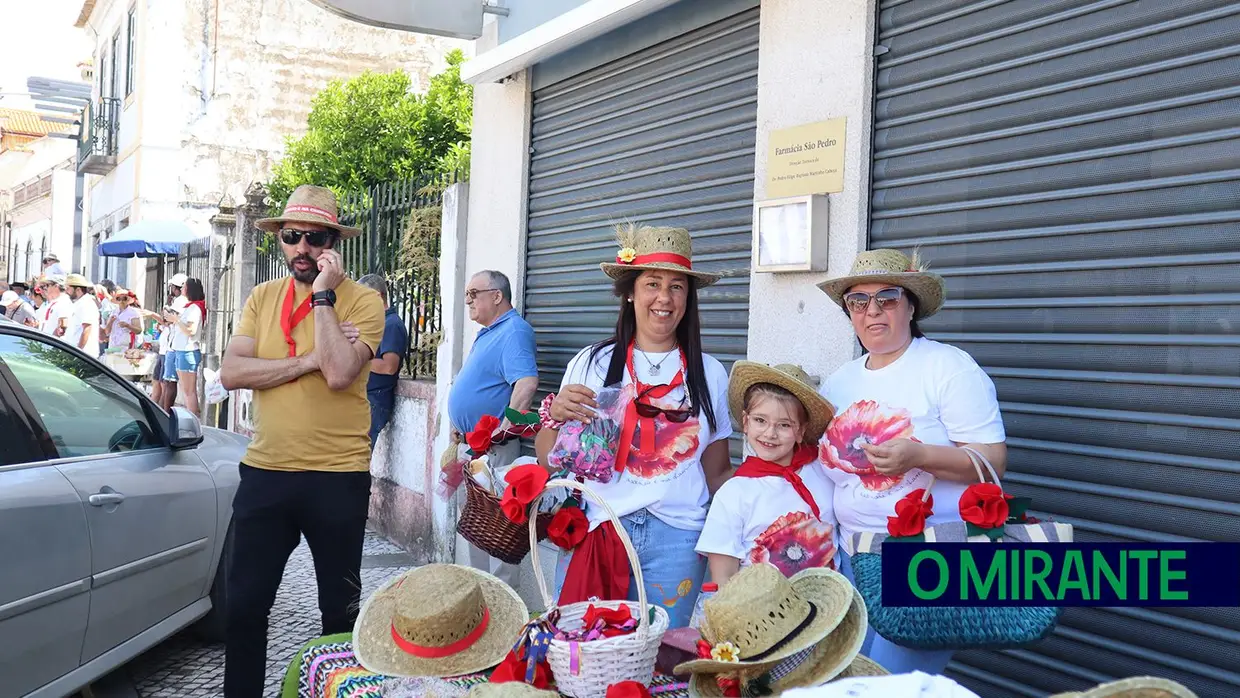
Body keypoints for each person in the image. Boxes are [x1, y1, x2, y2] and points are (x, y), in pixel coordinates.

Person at [219, 184, 384, 698]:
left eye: (314, 238)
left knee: (338, 610)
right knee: (244, 606)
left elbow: (338, 373)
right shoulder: (260, 297)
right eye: (292, 236)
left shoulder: (364, 300)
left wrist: (323, 298)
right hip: (267, 471)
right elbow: (231, 373)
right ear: (280, 240)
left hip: (337, 477)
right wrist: (305, 361)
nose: (301, 248)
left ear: (333, 243)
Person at [814, 248, 1007, 675]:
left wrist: (919, 456)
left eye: (887, 298)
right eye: (858, 302)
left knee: (892, 684)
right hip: (852, 558)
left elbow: (993, 461)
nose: (872, 311)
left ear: (911, 304)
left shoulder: (947, 368)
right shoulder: (840, 382)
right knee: (851, 678)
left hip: (926, 562)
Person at [534, 223, 733, 629]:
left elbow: (717, 473)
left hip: (678, 541)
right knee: (585, 656)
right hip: (598, 527)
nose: (664, 297)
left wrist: (771, 494)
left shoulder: (710, 374)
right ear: (630, 291)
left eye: (677, 286)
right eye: (652, 283)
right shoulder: (590, 363)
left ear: (688, 298)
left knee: (661, 663)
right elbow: (548, 456)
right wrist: (554, 416)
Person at [694, 362, 838, 587]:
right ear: (745, 422)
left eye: (784, 425)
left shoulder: (824, 473)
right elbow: (723, 578)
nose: (770, 434)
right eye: (760, 421)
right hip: (760, 615)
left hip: (825, 606)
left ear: (801, 431)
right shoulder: (734, 494)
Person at [443, 269, 538, 586]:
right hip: (473, 448)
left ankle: (501, 602)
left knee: (498, 530)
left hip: (494, 451)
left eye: (473, 293)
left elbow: (525, 382)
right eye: (467, 294)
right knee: (476, 525)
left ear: (497, 296)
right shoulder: (490, 331)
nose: (468, 300)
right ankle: (481, 595)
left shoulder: (514, 331)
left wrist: (505, 427)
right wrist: (460, 425)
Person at [358, 273, 408, 447]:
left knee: (357, 458)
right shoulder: (379, 322)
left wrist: (357, 359)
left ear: (377, 296)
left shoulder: (392, 325)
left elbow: (389, 366)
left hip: (375, 401)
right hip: (367, 399)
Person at [168, 277, 206, 417]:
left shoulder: (194, 308)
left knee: (189, 392)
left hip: (187, 350)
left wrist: (176, 320)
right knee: (186, 391)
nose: (182, 288)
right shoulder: (190, 307)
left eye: (184, 286)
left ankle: (193, 420)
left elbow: (190, 330)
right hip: (182, 350)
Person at [152, 274, 188, 411]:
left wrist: (165, 310)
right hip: (171, 345)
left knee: (168, 382)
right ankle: (164, 411)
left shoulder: (180, 301)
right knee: (165, 382)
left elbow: (167, 319)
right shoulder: (178, 301)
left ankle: (166, 412)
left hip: (173, 347)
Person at [65, 274, 101, 357]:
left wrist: (78, 352)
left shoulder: (86, 303)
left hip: (84, 354)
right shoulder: (80, 303)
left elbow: (87, 329)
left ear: (78, 289)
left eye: (68, 289)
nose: (66, 292)